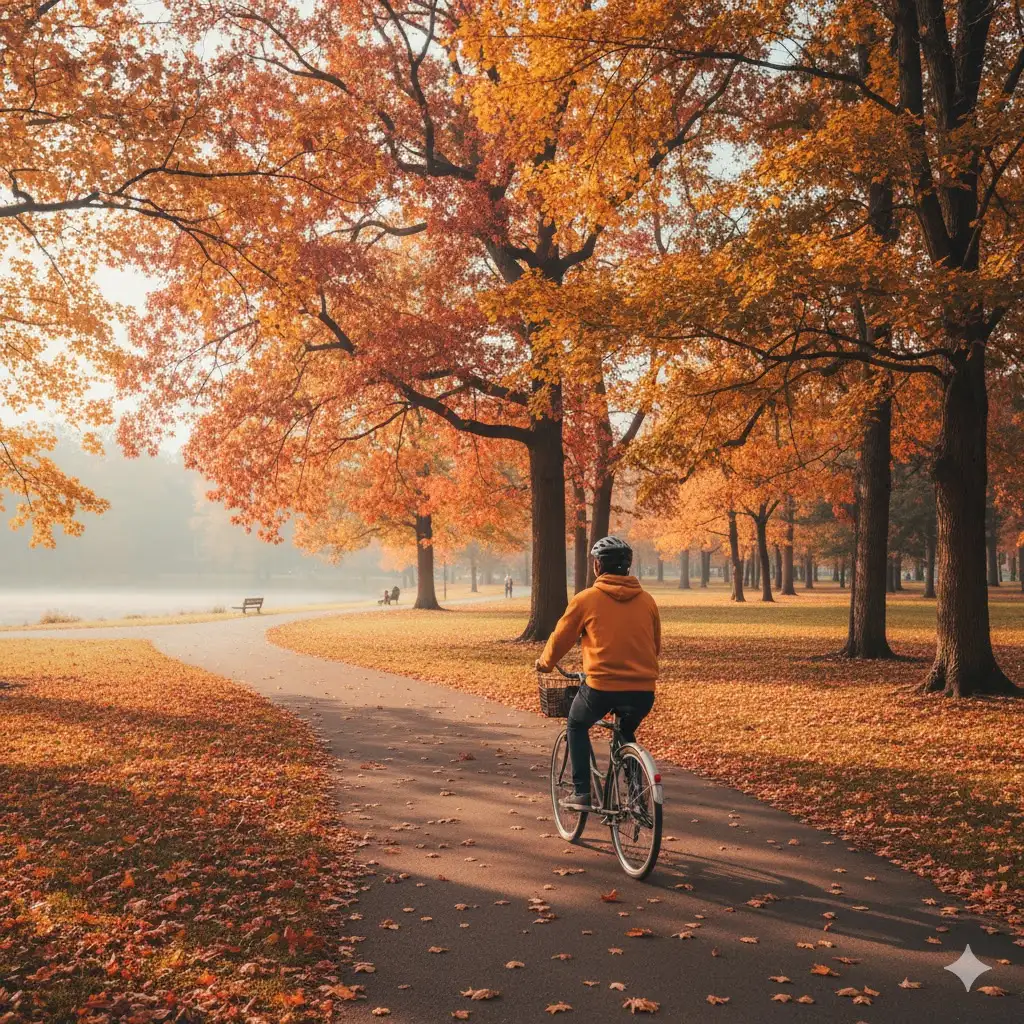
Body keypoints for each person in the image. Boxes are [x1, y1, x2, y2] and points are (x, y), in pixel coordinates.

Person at [535, 536, 660, 811]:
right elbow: (656, 645)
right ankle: (638, 795)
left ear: (597, 566)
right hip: (643, 690)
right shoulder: (648, 601)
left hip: (602, 688)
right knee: (626, 731)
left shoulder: (587, 599)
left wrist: (544, 663)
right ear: (627, 567)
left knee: (577, 724)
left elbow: (561, 638)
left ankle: (581, 792)